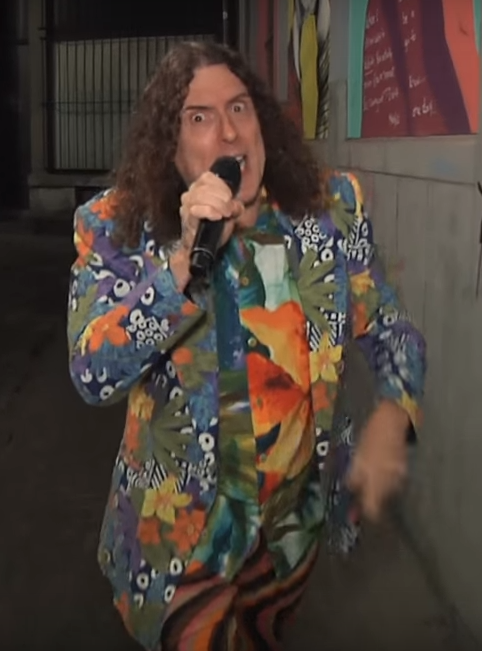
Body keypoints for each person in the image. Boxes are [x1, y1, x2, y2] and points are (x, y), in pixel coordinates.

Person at [66, 40, 426, 650]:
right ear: (171, 149)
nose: (229, 133)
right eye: (199, 118)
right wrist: (183, 265)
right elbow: (92, 372)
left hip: (289, 534)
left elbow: (390, 325)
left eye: (239, 108)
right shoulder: (116, 227)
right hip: (183, 542)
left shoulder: (330, 211)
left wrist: (395, 413)